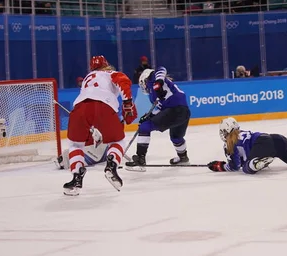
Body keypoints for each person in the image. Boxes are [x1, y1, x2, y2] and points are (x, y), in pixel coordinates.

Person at [63, 55, 137, 196]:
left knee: (75, 145)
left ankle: (76, 178)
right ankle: (112, 165)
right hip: (104, 105)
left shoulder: (87, 79)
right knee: (118, 141)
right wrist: (127, 104)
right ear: (106, 64)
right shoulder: (110, 73)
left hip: (79, 108)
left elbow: (89, 107)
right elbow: (124, 82)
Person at [207, 117, 287, 174]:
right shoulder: (242, 134)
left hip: (261, 144)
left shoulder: (229, 144)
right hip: (274, 138)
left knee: (247, 169)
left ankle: (257, 162)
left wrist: (220, 166)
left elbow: (235, 166)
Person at [126, 67, 191, 167]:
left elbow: (161, 69)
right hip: (183, 112)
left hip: (175, 110)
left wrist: (159, 82)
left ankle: (140, 159)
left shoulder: (153, 79)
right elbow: (160, 110)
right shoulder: (154, 94)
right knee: (176, 137)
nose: (144, 87)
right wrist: (148, 116)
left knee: (144, 127)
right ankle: (183, 157)